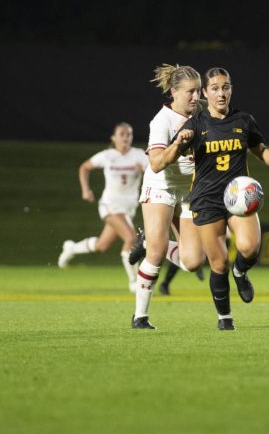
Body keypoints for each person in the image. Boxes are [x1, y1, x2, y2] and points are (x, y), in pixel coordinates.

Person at [172, 67, 269, 330]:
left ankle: (241, 272)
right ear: (205, 92)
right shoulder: (196, 123)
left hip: (238, 197)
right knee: (219, 262)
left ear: (231, 89)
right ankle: (225, 318)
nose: (221, 93)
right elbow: (174, 155)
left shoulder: (243, 120)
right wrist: (179, 143)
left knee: (249, 249)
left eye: (226, 87)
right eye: (215, 88)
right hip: (206, 199)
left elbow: (261, 151)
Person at [129, 64, 208, 329]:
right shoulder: (161, 121)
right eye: (190, 92)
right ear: (174, 92)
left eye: (198, 91)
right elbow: (157, 163)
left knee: (194, 262)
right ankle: (140, 316)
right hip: (161, 187)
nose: (196, 97)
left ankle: (148, 239)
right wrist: (178, 143)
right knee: (156, 253)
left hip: (189, 192)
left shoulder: (202, 115)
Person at [58, 123, 148, 290]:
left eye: (129, 134)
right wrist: (86, 190)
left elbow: (155, 169)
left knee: (101, 245)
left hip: (128, 208)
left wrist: (143, 170)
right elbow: (84, 167)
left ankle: (71, 248)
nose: (125, 137)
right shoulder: (108, 156)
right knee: (131, 238)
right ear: (113, 138)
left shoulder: (139, 155)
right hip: (110, 205)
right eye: (121, 134)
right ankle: (134, 282)